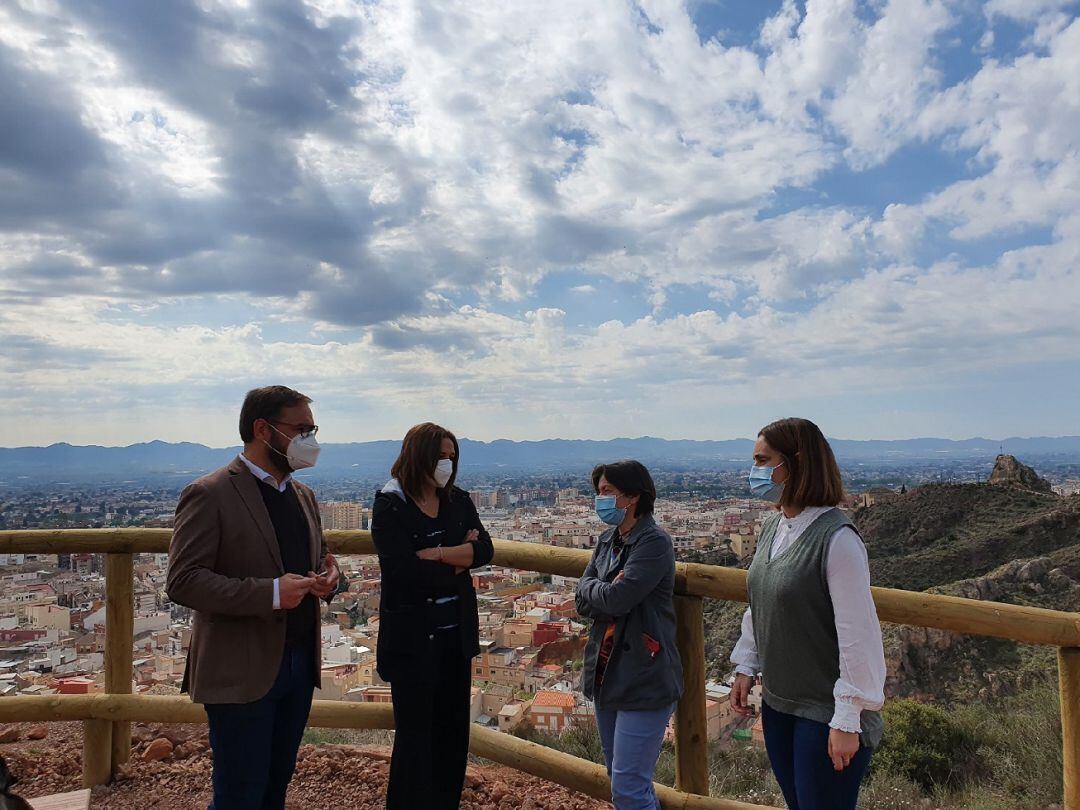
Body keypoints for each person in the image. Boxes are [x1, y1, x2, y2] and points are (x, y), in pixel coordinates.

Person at [166, 386, 341, 810]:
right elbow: (184, 581)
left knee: (275, 788)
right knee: (239, 795)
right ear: (262, 430)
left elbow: (319, 560)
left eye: (312, 429)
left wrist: (332, 578)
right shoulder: (210, 493)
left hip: (299, 662)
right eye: (300, 429)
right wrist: (273, 593)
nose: (310, 440)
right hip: (240, 670)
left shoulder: (303, 496)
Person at [730, 417, 885, 810]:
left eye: (764, 461)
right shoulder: (772, 527)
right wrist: (746, 665)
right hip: (780, 704)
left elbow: (858, 635)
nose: (756, 471)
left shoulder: (838, 539)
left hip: (826, 713)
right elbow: (761, 602)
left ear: (796, 463)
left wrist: (848, 718)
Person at [371, 422, 495, 810]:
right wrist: (461, 555)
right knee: (414, 741)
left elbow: (486, 550)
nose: (446, 463)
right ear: (418, 455)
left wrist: (438, 554)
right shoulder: (391, 504)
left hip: (454, 640)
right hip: (412, 644)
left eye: (451, 457)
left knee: (452, 736)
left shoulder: (457, 500)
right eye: (440, 455)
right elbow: (403, 573)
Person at [576, 460, 683, 810]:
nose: (599, 498)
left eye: (607, 492)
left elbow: (618, 599)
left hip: (644, 676)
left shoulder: (653, 543)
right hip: (607, 675)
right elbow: (582, 599)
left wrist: (600, 590)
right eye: (598, 492)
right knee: (621, 778)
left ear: (633, 496)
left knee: (628, 786)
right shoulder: (608, 540)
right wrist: (601, 589)